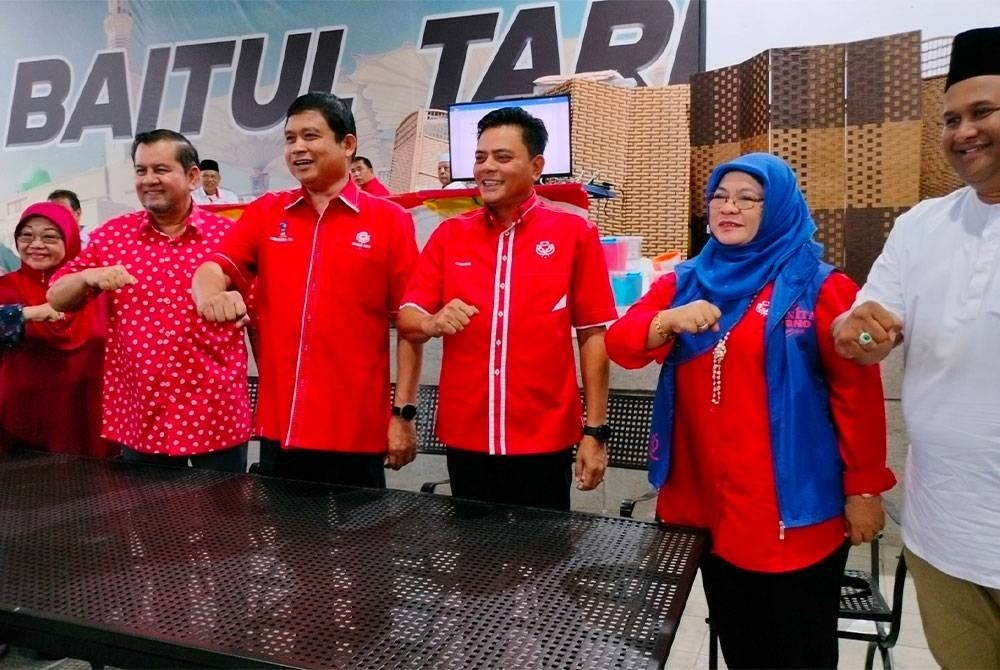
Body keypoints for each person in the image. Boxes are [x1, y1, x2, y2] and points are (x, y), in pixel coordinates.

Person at [605, 152, 895, 669]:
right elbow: (623, 345)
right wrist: (668, 320)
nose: (728, 208)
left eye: (747, 198)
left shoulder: (821, 286)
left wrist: (865, 489)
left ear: (778, 207)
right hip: (708, 508)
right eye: (719, 196)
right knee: (741, 645)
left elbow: (858, 396)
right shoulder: (687, 278)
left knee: (799, 651)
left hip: (791, 514)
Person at [832, 26, 1000, 668]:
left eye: (982, 112)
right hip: (944, 538)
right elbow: (865, 326)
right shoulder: (923, 226)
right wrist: (858, 333)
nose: (963, 132)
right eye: (951, 118)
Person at [192, 92, 422, 488]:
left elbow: (411, 325)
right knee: (288, 546)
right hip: (283, 428)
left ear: (347, 144)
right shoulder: (266, 213)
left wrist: (403, 415)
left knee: (362, 545)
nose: (297, 148)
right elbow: (214, 268)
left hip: (357, 430)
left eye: (310, 136)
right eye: (290, 138)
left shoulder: (390, 221)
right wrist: (212, 295)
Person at [397, 106, 617, 511]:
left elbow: (593, 335)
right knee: (474, 563)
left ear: (536, 167)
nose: (486, 168)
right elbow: (408, 317)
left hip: (544, 437)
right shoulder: (450, 236)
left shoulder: (573, 234)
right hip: (466, 435)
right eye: (480, 158)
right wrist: (432, 321)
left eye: (502, 157)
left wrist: (595, 431)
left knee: (546, 564)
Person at [48, 129, 251, 473]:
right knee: (149, 523)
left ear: (192, 176)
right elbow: (57, 297)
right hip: (142, 415)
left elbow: (260, 312)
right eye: (141, 171)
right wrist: (86, 277)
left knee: (225, 520)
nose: (149, 180)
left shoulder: (230, 236)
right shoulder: (112, 236)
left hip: (216, 413)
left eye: (160, 170)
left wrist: (237, 304)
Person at [0, 202, 111, 458]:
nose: (36, 244)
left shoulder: (97, 292)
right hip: (18, 429)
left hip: (90, 425)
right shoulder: (5, 289)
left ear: (70, 239)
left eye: (49, 236)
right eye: (26, 235)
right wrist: (26, 314)